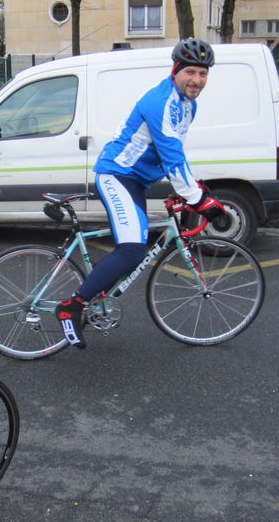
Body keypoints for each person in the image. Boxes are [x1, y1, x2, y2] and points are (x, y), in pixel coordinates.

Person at [54, 38, 229, 349]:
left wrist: (195, 190)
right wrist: (200, 201)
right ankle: (72, 307)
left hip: (136, 180)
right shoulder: (160, 103)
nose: (197, 81)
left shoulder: (187, 104)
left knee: (134, 243)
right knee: (133, 248)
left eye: (203, 74)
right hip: (116, 175)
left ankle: (96, 294)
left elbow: (174, 152)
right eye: (190, 72)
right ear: (175, 71)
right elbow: (172, 158)